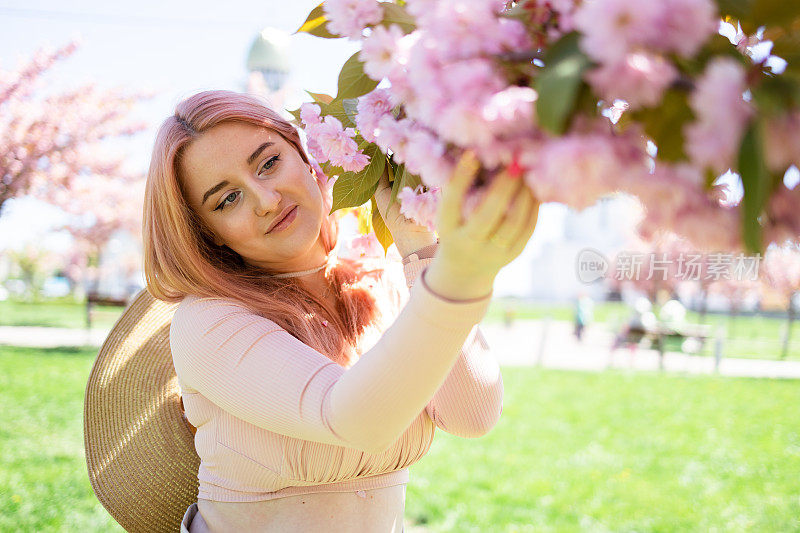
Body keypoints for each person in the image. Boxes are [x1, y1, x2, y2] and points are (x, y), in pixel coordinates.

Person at [139, 90, 540, 532]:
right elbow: (352, 418)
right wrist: (456, 279)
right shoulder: (207, 321)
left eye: (269, 163)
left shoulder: (380, 279)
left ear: (305, 156)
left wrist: (422, 251)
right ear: (208, 233)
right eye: (227, 199)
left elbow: (473, 416)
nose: (266, 199)